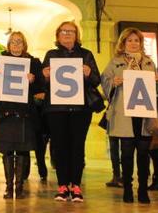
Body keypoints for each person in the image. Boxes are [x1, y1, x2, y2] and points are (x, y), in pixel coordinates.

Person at [101, 27, 158, 204]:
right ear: (123, 42)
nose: (133, 43)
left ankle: (143, 189)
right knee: (126, 155)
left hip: (144, 116)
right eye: (130, 40)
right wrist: (112, 82)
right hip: (124, 116)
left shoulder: (149, 63)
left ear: (141, 43)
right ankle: (127, 189)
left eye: (136, 40)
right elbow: (104, 83)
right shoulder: (115, 62)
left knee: (144, 155)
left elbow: (157, 92)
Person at [42, 20, 102, 202]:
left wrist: (88, 73)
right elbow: (41, 82)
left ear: (77, 35)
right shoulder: (51, 54)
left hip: (80, 109)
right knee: (59, 147)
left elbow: (96, 80)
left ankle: (75, 185)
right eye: (64, 31)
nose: (67, 34)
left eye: (71, 31)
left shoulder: (86, 54)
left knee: (77, 146)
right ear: (58, 35)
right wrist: (44, 76)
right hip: (56, 108)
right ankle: (62, 186)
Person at [0, 31, 41, 200]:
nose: (16, 45)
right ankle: (8, 187)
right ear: (8, 44)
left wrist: (33, 80)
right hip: (5, 112)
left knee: (23, 150)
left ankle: (19, 187)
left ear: (24, 44)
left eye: (19, 42)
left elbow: (41, 87)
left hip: (24, 113)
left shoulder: (33, 62)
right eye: (13, 42)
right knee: (7, 150)